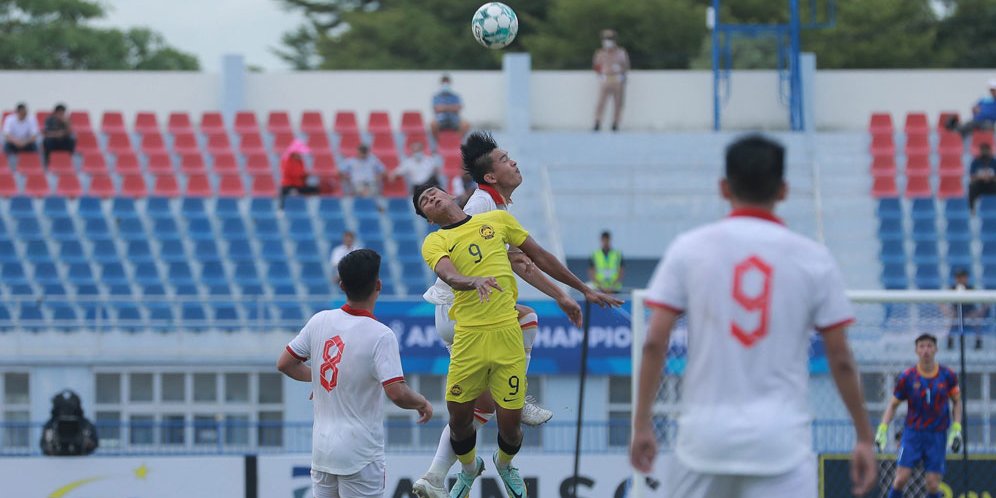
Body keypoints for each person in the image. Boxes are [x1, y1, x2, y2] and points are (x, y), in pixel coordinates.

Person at [630, 135, 876, 498]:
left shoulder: (689, 249)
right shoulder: (814, 259)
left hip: (704, 442)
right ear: (784, 190)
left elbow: (654, 342)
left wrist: (641, 424)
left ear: (723, 187)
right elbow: (840, 358)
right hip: (781, 446)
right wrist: (864, 437)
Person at [414, 183, 621, 498]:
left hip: (507, 338)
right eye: (424, 202)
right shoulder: (436, 240)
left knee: (510, 427)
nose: (430, 198)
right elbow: (449, 274)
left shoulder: (497, 221)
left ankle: (504, 461)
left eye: (432, 192)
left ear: (450, 194)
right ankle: (469, 468)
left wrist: (583, 290)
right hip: (467, 339)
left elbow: (538, 256)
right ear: (428, 217)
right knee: (459, 421)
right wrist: (472, 281)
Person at [277, 249, 433, 498]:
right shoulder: (380, 335)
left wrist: (322, 378)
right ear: (378, 285)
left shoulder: (320, 321)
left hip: (322, 451)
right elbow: (397, 392)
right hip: (360, 454)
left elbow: (285, 363)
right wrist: (422, 402)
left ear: (341, 285)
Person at [875, 333, 963, 498]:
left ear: (936, 349)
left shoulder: (947, 375)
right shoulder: (908, 377)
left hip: (937, 435)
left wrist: (956, 429)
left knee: (932, 483)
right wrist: (882, 429)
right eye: (922, 346)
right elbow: (893, 404)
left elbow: (957, 401)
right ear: (916, 350)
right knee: (901, 478)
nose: (926, 350)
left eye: (929, 346)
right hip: (913, 434)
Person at [592, 29, 630, 132]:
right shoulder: (600, 53)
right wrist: (600, 75)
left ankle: (615, 123)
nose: (607, 41)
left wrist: (622, 75)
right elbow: (596, 66)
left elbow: (626, 66)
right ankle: (597, 122)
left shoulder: (621, 53)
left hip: (617, 80)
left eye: (609, 39)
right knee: (601, 103)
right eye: (605, 39)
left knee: (618, 103)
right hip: (605, 80)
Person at [943, 268, 987, 350]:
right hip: (956, 314)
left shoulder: (971, 289)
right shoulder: (951, 289)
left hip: (969, 313)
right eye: (958, 277)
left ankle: (978, 341)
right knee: (950, 322)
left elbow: (985, 302)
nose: (960, 279)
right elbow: (940, 302)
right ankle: (949, 341)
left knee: (976, 321)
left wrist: (978, 312)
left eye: (962, 277)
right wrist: (948, 311)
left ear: (966, 278)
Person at [279, 139, 319, 209]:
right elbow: (290, 173)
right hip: (289, 185)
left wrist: (305, 175)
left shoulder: (300, 161)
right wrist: (302, 175)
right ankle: (282, 209)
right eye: (298, 152)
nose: (300, 154)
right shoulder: (286, 161)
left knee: (316, 189)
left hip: (299, 185)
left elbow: (301, 173)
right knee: (285, 193)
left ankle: (312, 208)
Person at [431, 74, 470, 140]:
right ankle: (439, 142)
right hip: (441, 120)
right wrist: (451, 107)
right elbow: (437, 109)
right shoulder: (436, 96)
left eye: (447, 83)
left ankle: (456, 142)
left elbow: (458, 108)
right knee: (433, 124)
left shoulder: (455, 96)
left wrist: (444, 107)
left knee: (466, 124)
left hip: (454, 119)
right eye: (444, 83)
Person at [969, 142, 996, 213]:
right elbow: (972, 176)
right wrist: (981, 177)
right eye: (983, 150)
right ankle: (972, 210)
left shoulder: (994, 162)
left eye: (986, 150)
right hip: (979, 184)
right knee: (972, 187)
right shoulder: (975, 161)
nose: (985, 152)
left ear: (989, 150)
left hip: (991, 183)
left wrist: (990, 177)